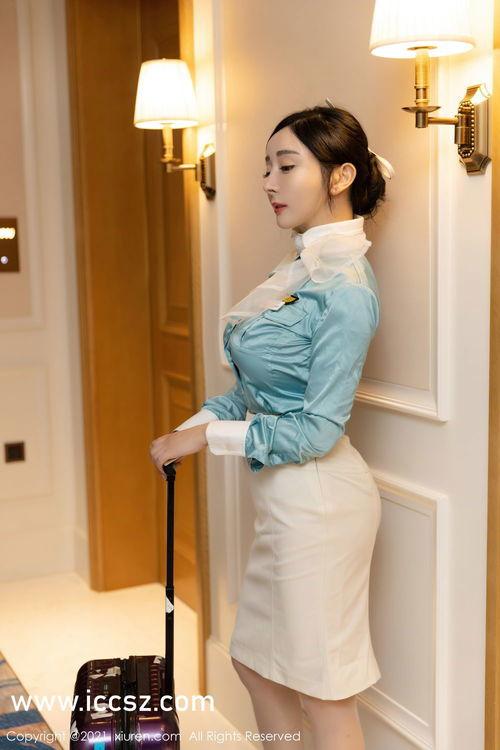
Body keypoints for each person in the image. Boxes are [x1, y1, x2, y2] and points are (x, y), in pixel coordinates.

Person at [150, 102, 394, 750]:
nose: (267, 182)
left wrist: (208, 438)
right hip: (284, 504)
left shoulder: (347, 289)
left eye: (286, 166)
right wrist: (192, 427)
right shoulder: (298, 270)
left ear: (340, 176)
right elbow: (256, 392)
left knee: (325, 692)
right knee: (256, 665)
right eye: (267, 167)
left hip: (320, 505)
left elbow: (315, 430)